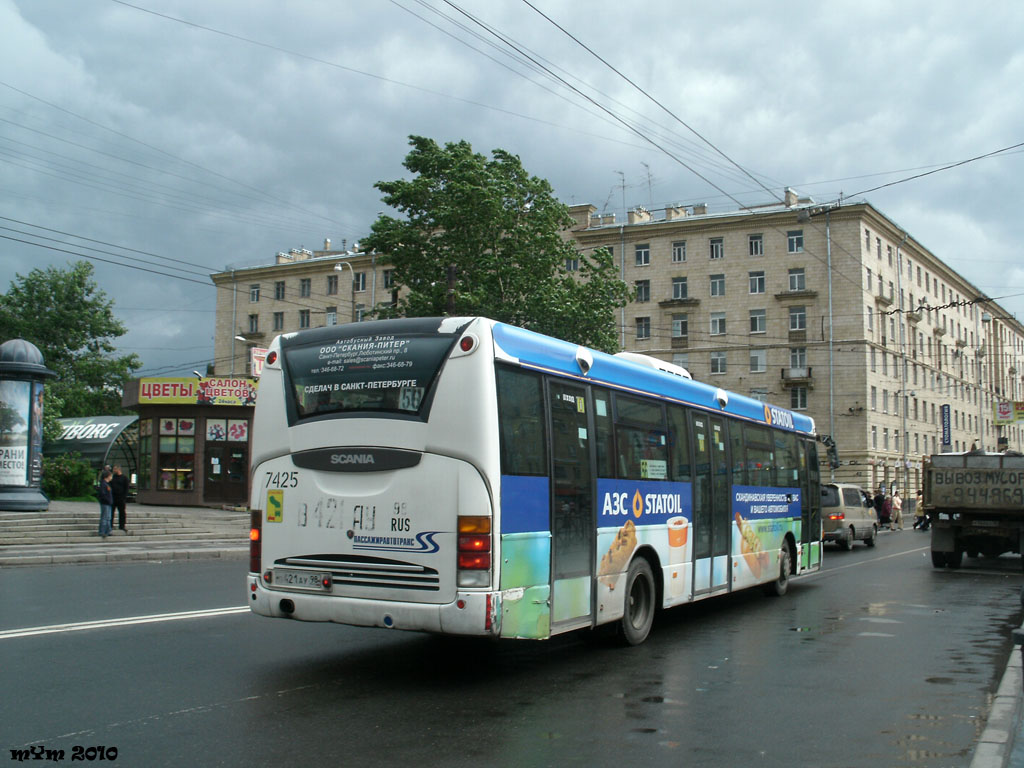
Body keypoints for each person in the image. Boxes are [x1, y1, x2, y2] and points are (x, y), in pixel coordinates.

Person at [110, 465, 129, 532]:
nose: (114, 470)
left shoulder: (124, 478)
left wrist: (124, 497)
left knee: (122, 512)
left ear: (119, 469)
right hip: (113, 497)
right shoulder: (112, 477)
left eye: (115, 469)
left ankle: (122, 526)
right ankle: (110, 525)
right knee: (111, 512)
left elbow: (126, 488)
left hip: (121, 498)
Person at [98, 469, 113, 539]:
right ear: (107, 476)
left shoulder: (107, 484)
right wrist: (107, 500)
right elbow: (103, 494)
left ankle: (108, 531)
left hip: (109, 503)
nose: (111, 477)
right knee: (104, 517)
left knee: (108, 517)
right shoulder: (103, 484)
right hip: (105, 503)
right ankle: (102, 531)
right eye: (110, 476)